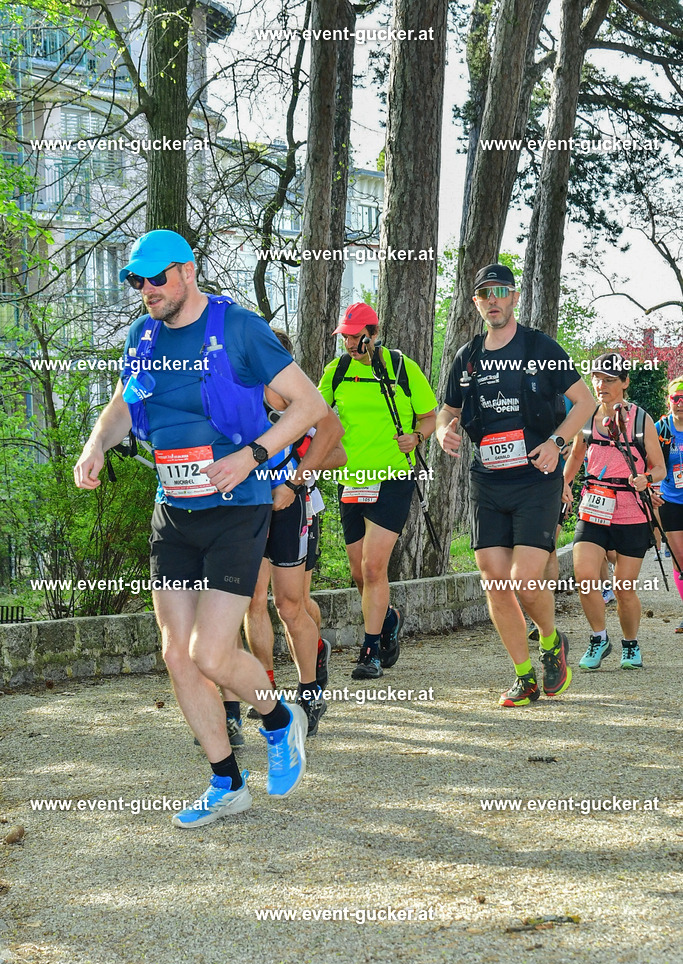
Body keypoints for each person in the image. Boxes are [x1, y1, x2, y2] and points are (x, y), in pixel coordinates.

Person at [74, 229, 327, 828]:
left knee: (211, 651)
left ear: (186, 272)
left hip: (237, 506)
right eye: (137, 281)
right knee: (177, 655)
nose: (147, 291)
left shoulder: (236, 328)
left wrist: (253, 455)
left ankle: (277, 718)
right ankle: (226, 781)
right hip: (174, 510)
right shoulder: (144, 337)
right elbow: (123, 405)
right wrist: (97, 445)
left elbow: (310, 405)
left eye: (156, 278)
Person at [436, 263, 594, 707]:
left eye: (501, 292)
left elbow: (585, 401)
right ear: (476, 302)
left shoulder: (540, 347)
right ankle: (524, 676)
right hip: (487, 480)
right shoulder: (468, 356)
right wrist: (442, 430)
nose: (493, 300)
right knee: (495, 583)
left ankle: (550, 641)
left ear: (514, 297)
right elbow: (446, 410)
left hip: (535, 477)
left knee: (524, 579)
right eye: (485, 294)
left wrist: (557, 442)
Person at [222, 327, 346, 739]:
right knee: (251, 602)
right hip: (247, 510)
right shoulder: (238, 392)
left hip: (291, 509)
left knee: (290, 605)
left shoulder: (296, 398)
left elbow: (338, 449)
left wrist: (294, 482)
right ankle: (264, 690)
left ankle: (310, 692)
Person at [318, 302, 437, 679]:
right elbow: (314, 412)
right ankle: (388, 618)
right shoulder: (336, 372)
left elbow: (430, 416)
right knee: (358, 571)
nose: (350, 344)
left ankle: (369, 651)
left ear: (372, 332)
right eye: (345, 338)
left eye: (355, 337)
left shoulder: (402, 366)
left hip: (392, 477)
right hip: (352, 479)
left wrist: (417, 436)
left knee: (373, 566)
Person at [562, 353, 666, 669]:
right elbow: (576, 458)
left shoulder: (640, 419)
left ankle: (631, 645)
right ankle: (598, 638)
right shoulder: (587, 416)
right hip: (593, 507)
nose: (601, 384)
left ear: (624, 382)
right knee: (585, 577)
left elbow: (660, 467)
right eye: (597, 378)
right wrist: (563, 485)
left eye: (609, 379)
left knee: (623, 588)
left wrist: (645, 479)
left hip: (632, 513)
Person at [654, 376, 683, 632]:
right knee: (679, 558)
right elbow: (648, 461)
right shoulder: (660, 429)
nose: (681, 404)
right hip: (671, 500)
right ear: (669, 400)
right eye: (677, 398)